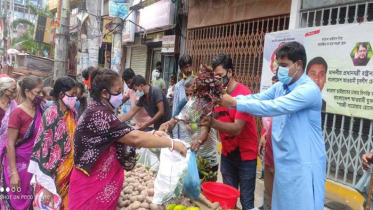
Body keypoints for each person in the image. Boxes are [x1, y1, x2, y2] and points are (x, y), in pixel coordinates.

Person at [217, 42, 326, 210]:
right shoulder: (281, 87)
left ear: (299, 64)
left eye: (284, 65)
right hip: (283, 163)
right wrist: (231, 101)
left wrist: (233, 102)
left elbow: (275, 106)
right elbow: (257, 98)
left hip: (304, 166)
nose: (279, 70)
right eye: (278, 65)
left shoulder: (309, 90)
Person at [67, 68, 187, 209]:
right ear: (105, 93)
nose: (122, 95)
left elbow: (122, 135)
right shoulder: (99, 114)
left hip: (96, 182)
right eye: (118, 91)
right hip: (91, 185)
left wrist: (153, 134)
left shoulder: (100, 110)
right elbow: (134, 138)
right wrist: (171, 143)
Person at [200, 53, 258, 210]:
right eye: (215, 76)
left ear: (230, 73)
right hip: (227, 153)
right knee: (227, 200)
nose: (218, 80)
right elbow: (208, 119)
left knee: (246, 201)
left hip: (246, 155)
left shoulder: (243, 94)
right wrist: (200, 140)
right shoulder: (216, 94)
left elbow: (237, 128)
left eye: (220, 75)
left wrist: (212, 122)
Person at [28, 77, 78, 209]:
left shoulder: (73, 114)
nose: (75, 99)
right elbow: (44, 152)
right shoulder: (51, 115)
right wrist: (47, 186)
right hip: (51, 176)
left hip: (69, 174)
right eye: (72, 95)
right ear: (61, 95)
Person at [0, 75, 45, 209]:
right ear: (27, 91)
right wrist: (14, 173)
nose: (41, 95)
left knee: (34, 201)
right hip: (19, 165)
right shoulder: (18, 112)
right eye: (38, 92)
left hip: (36, 164)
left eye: (42, 92)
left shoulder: (41, 110)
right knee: (18, 199)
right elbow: (10, 144)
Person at [160, 76, 219, 173]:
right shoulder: (184, 103)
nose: (189, 98)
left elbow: (205, 131)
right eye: (187, 94)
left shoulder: (205, 105)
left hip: (208, 158)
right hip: (192, 156)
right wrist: (166, 125)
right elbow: (174, 120)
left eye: (191, 94)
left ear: (198, 91)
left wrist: (199, 142)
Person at [173, 55, 193, 139]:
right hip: (183, 132)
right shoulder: (178, 86)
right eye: (186, 67)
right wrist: (175, 137)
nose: (189, 69)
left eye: (190, 66)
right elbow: (175, 110)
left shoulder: (198, 83)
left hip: (195, 130)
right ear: (181, 69)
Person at [0, 77, 18, 146]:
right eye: (13, 89)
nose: (16, 91)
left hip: (10, 143)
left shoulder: (13, 104)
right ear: (5, 91)